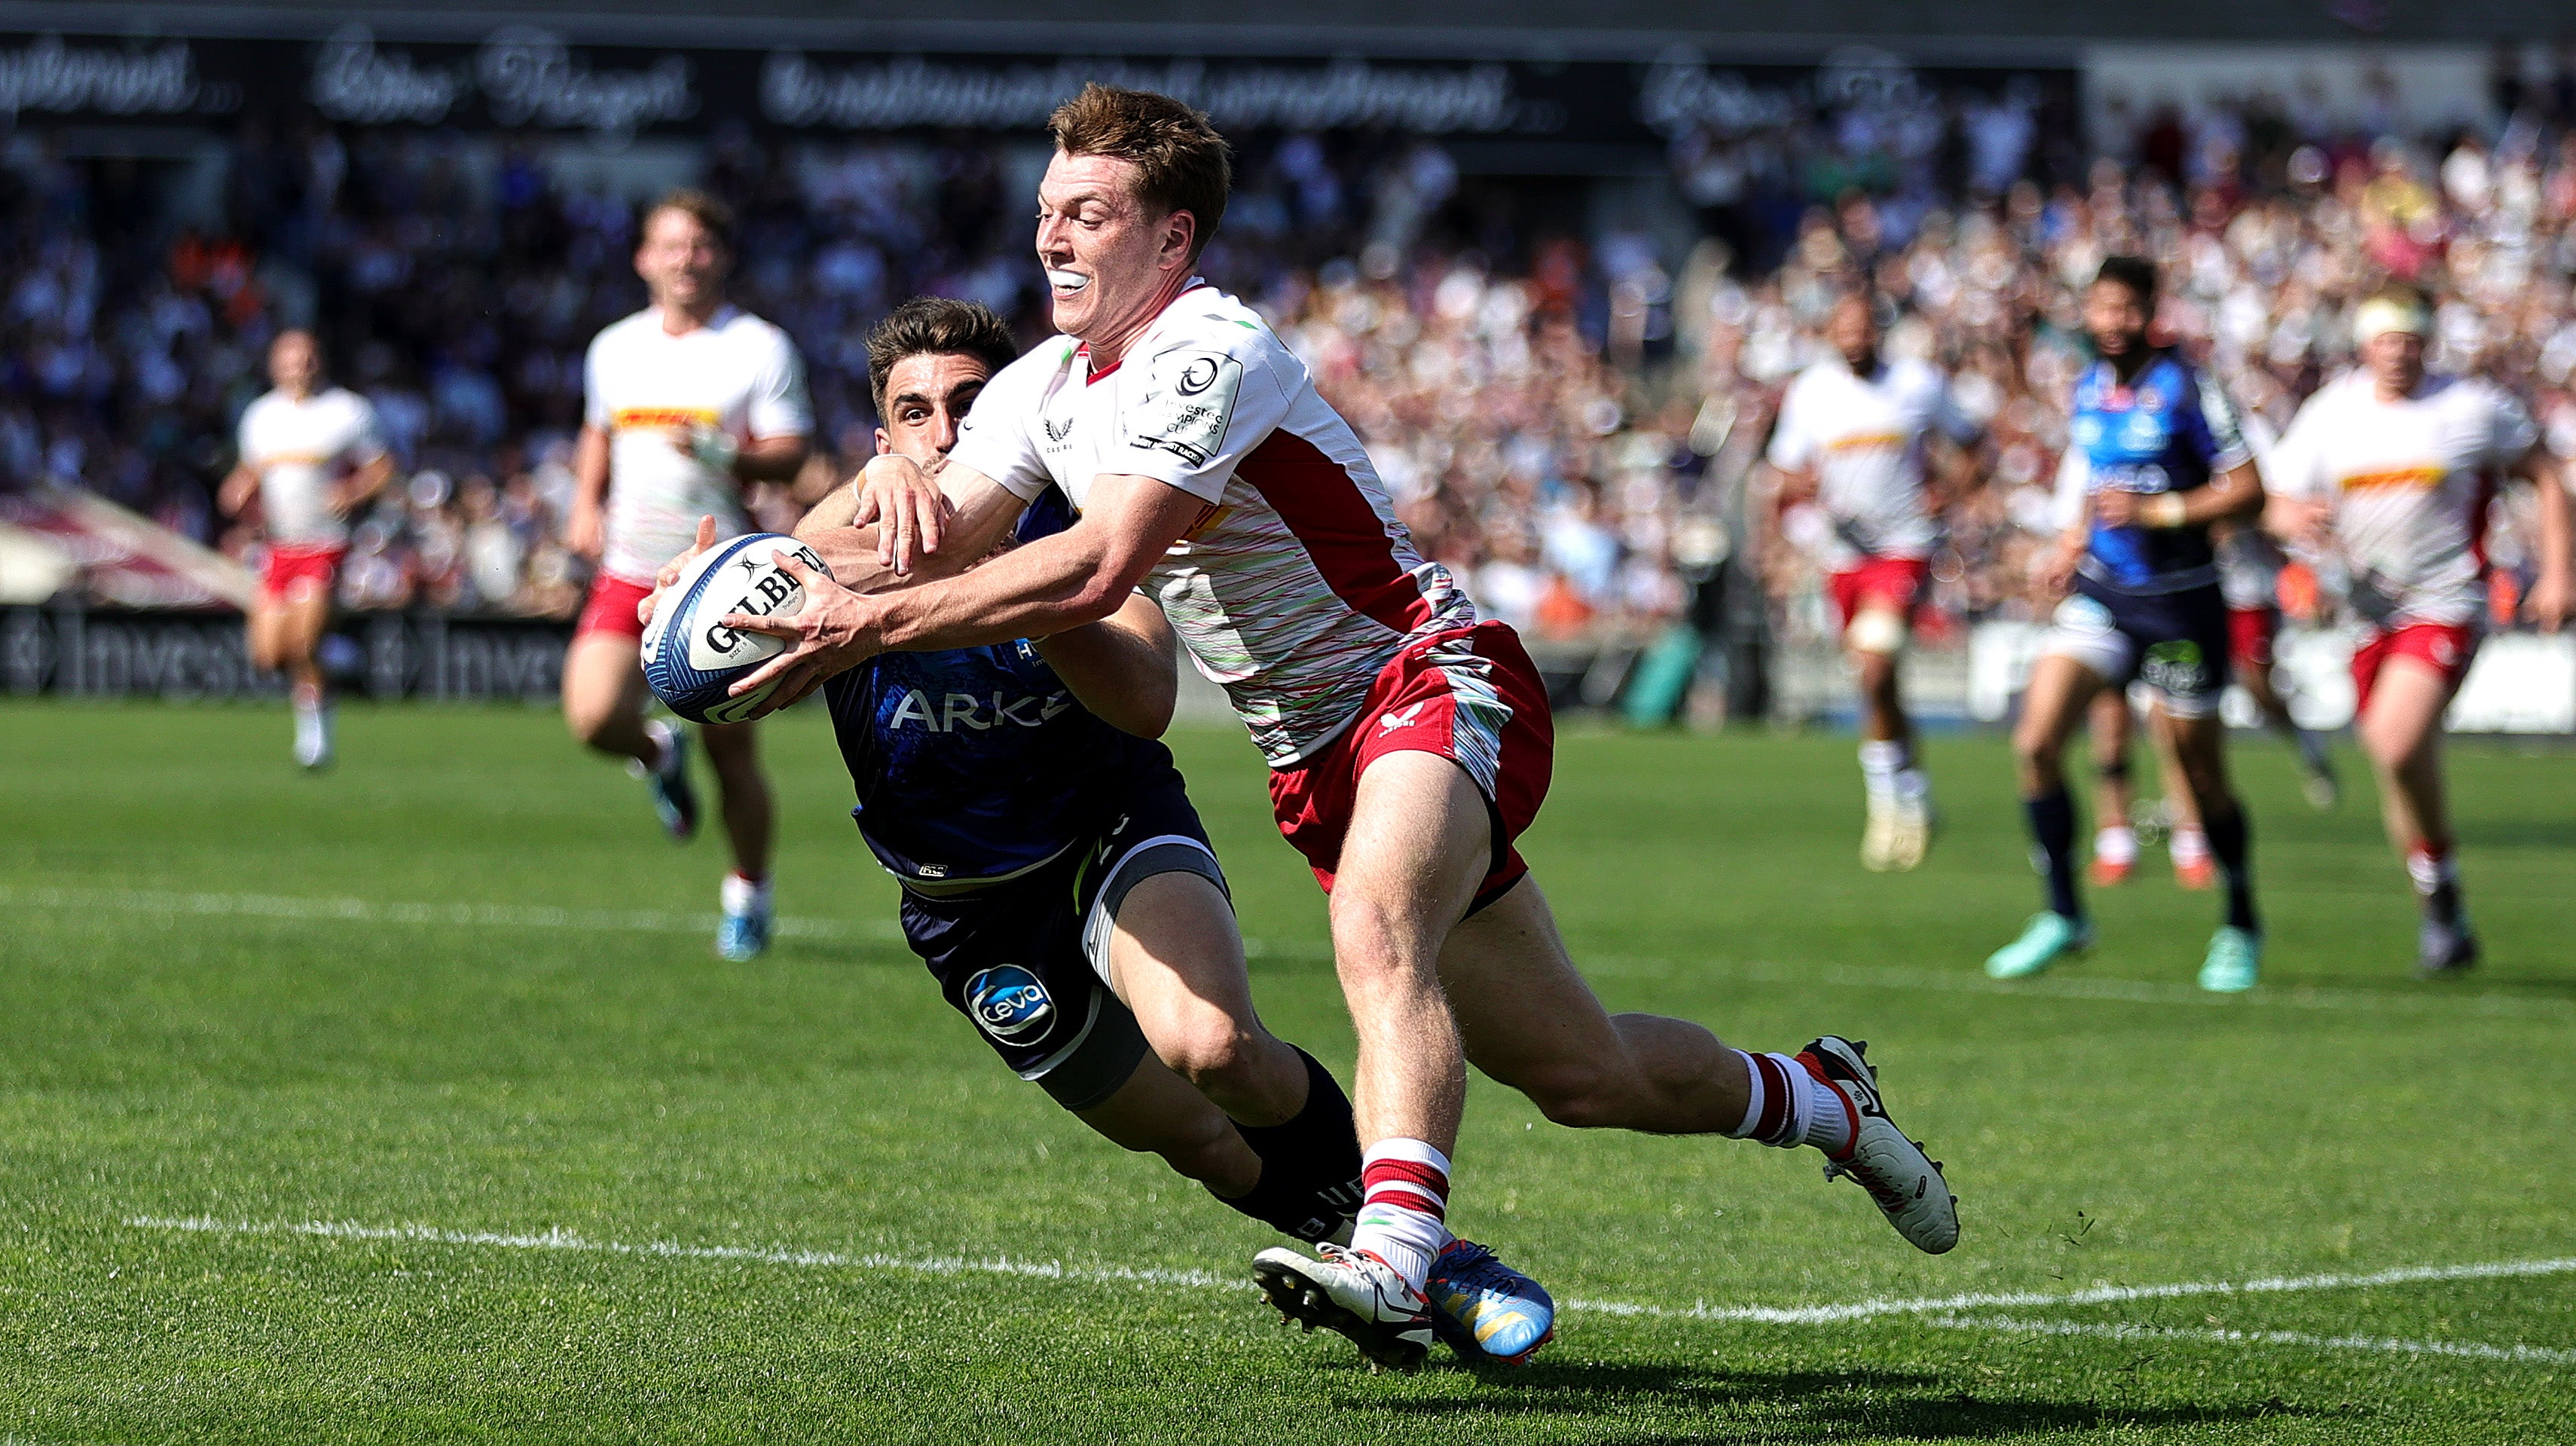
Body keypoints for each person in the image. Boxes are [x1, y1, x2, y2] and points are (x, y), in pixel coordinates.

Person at [693, 85, 1957, 1373]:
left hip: (1426, 676)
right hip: (1311, 754)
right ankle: (1818, 1096)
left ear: (1171, 236)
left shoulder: (1207, 348)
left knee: (1371, 924)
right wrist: (788, 552)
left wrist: (859, 619)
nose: (1051, 240)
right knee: (1583, 1076)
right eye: (1044, 215)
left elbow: (1091, 568)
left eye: (1086, 213)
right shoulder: (1040, 386)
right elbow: (929, 530)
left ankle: (1397, 1254)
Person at [775, 298, 1572, 1360]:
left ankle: (1421, 1250)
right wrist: (682, 612)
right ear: (881, 441)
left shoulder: (1087, 518)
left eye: (969, 402)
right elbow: (725, 627)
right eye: (912, 413)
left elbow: (1147, 691)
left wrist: (994, 586)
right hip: (964, 904)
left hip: (1111, 824)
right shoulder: (835, 544)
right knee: (1203, 1144)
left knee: (1215, 1047)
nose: (944, 432)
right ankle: (1386, 1263)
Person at [2263, 283, 2572, 975]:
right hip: (2363, 616)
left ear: (2427, 340)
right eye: (2384, 339)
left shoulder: (2468, 408)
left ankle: (2441, 900)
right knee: (2398, 762)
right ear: (2364, 343)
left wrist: (2558, 573)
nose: (2396, 352)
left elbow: (2546, 474)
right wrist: (2286, 520)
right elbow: (2274, 498)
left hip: (2445, 602)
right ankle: (2442, 908)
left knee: (2393, 743)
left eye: (2409, 339)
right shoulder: (2330, 412)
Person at [1987, 255, 2269, 992]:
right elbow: (2097, 481)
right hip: (2103, 595)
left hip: (2179, 602)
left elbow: (2247, 490)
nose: (2110, 322)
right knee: (2036, 738)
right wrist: (2069, 543)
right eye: (2099, 308)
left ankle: (2238, 918)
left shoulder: (2187, 387)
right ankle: (2062, 914)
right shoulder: (2089, 387)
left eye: (2124, 309)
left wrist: (2159, 512)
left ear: (2149, 311)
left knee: (2199, 773)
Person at [562, 190, 811, 961]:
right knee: (591, 717)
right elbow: (597, 431)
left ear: (721, 256)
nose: (685, 258)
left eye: (699, 245)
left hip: (718, 575)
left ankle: (748, 893)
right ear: (644, 257)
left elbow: (791, 453)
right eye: (669, 244)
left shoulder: (758, 345)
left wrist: (717, 451)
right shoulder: (613, 347)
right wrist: (582, 502)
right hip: (631, 566)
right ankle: (655, 754)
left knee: (734, 755)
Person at [1765, 292, 1979, 870]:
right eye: (1845, 329)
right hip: (1842, 556)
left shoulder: (1917, 383)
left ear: (1879, 331)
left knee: (1876, 663)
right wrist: (1801, 490)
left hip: (1904, 547)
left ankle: (1889, 809)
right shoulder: (1811, 391)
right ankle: (1911, 793)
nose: (1855, 339)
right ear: (1831, 332)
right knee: (1874, 681)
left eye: (1864, 329)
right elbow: (1783, 469)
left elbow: (1971, 443)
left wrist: (1950, 497)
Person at [217, 329, 393, 769]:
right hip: (279, 547)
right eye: (292, 359)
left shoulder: (347, 411)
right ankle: (341, 653)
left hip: (324, 544)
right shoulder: (260, 416)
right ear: (275, 364)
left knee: (302, 644)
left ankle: (315, 736)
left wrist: (351, 492)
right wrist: (238, 489)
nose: (301, 366)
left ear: (320, 361)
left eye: (308, 358)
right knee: (268, 655)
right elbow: (250, 470)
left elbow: (383, 469)